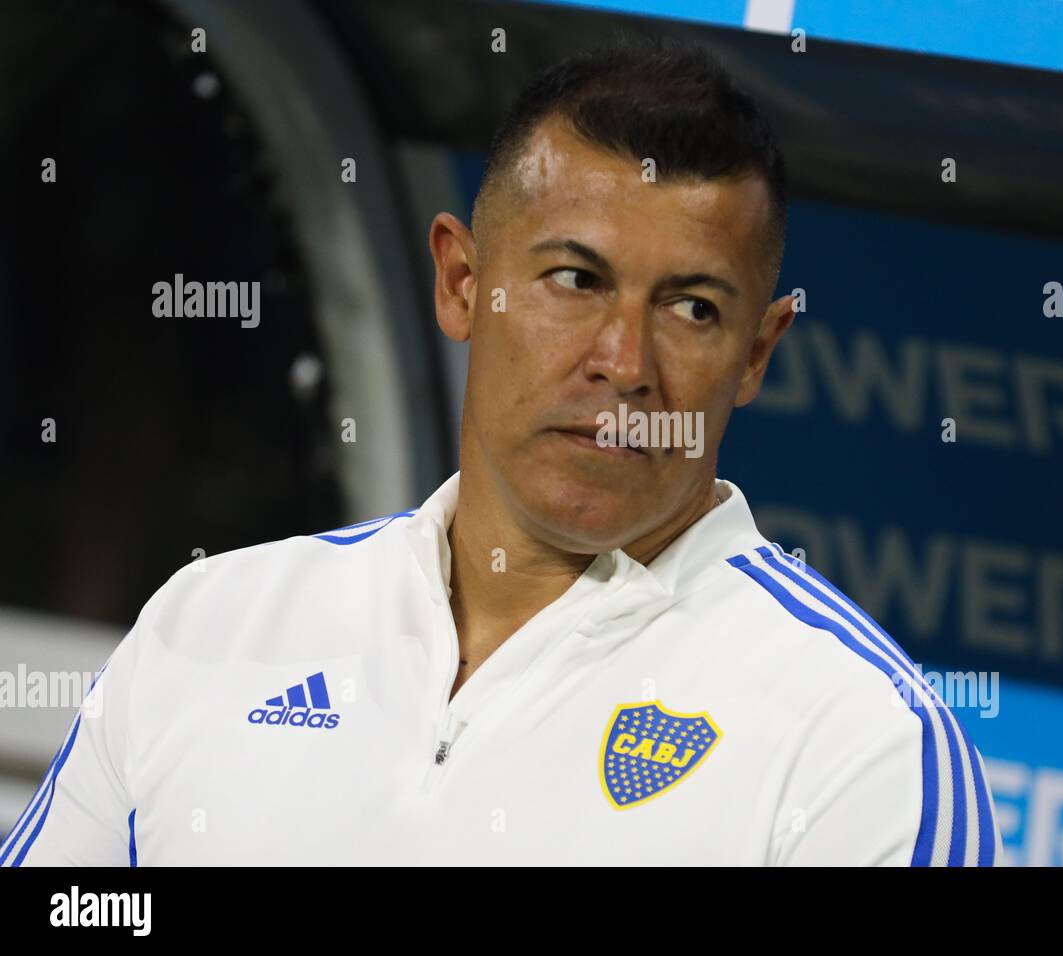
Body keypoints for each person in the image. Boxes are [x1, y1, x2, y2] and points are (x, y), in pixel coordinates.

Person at [2, 36, 1002, 866]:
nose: (624, 362)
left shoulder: (862, 742)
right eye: (575, 279)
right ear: (460, 281)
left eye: (692, 307)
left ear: (756, 351)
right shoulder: (212, 624)